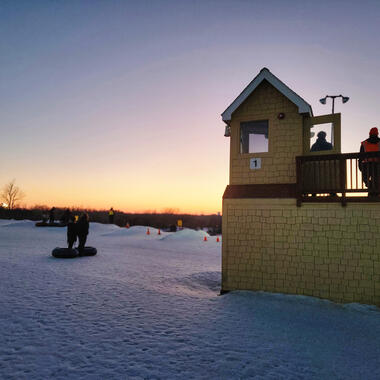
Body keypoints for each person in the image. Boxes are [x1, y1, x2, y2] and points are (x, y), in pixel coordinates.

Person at [359, 127, 380, 196]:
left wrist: (360, 166)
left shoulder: (364, 143)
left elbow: (360, 156)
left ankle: (371, 190)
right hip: (377, 165)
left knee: (366, 180)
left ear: (369, 134)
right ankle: (375, 191)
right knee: (376, 180)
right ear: (377, 134)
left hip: (366, 166)